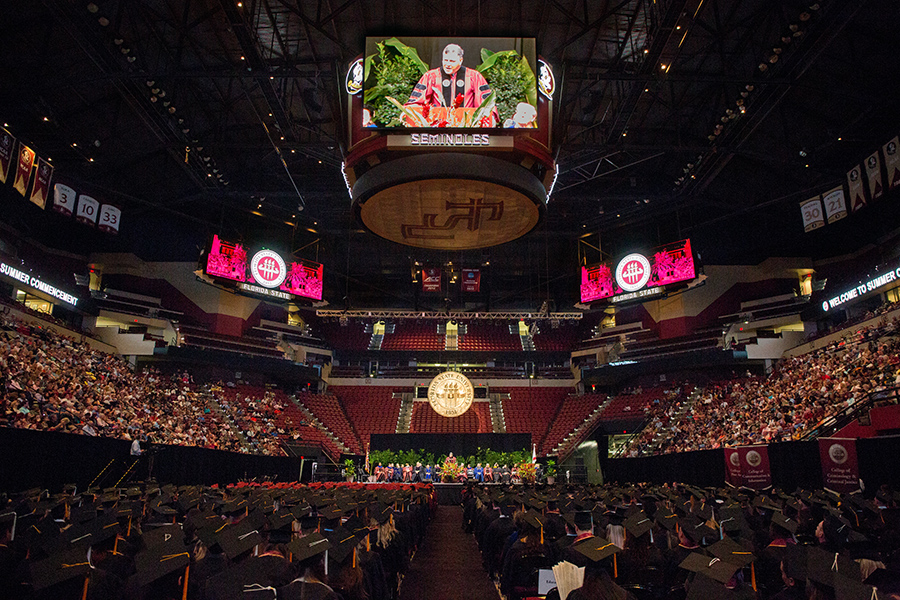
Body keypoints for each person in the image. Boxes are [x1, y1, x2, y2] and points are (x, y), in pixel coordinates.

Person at [405, 43, 498, 125]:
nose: (448, 64)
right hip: (437, 126)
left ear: (460, 60)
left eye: (452, 61)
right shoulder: (430, 76)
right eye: (445, 60)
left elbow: (485, 103)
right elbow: (417, 102)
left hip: (467, 126)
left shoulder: (474, 76)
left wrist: (491, 116)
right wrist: (408, 112)